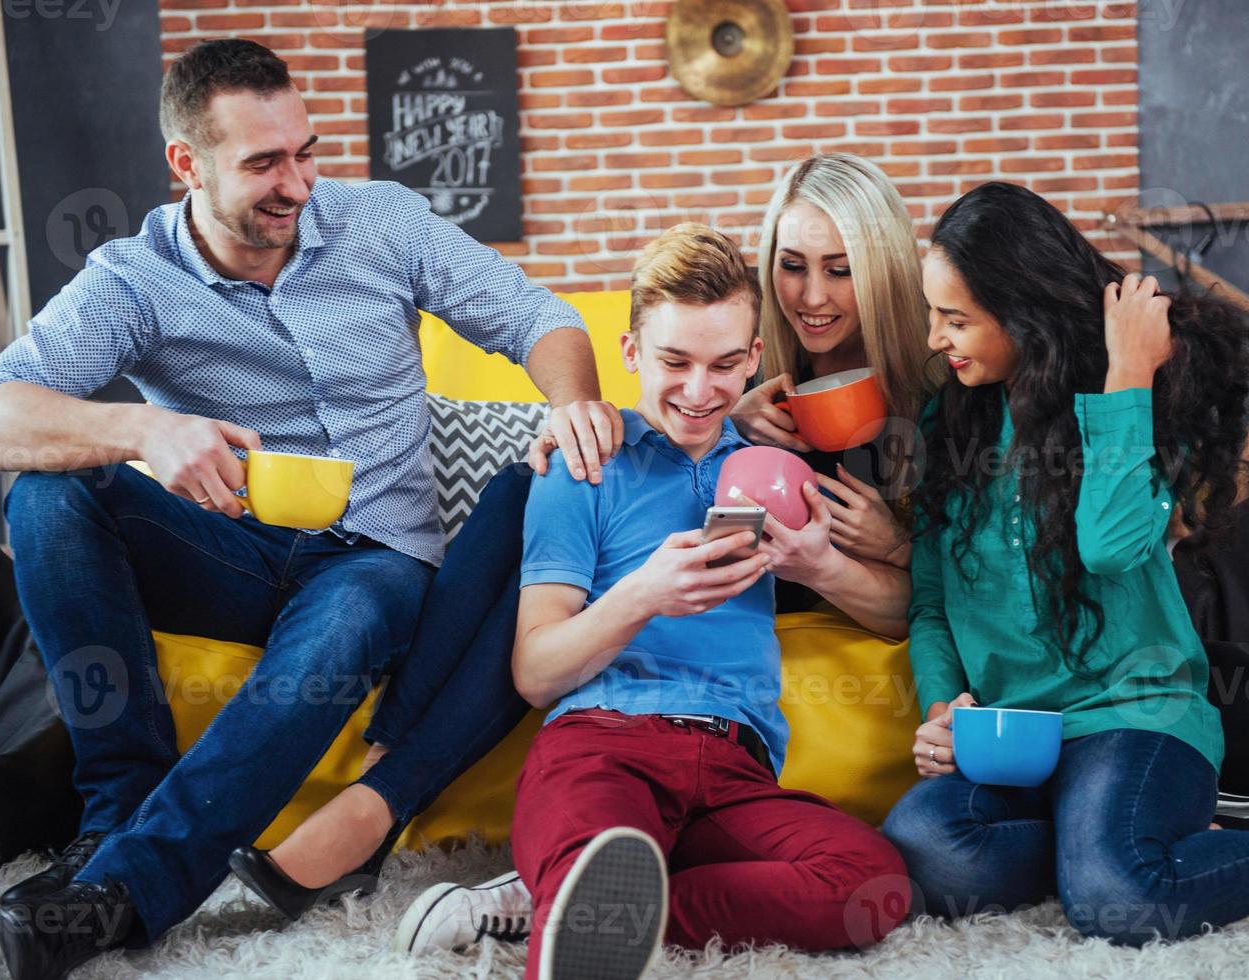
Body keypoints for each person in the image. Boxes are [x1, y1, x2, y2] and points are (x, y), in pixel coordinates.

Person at [0, 39, 621, 980]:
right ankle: (113, 811)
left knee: (350, 612)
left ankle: (126, 889)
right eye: (264, 163)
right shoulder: (134, 276)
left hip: (377, 558)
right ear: (186, 164)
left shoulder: (380, 223)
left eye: (305, 151)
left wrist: (574, 403)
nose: (298, 182)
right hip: (226, 550)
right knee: (52, 495)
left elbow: (535, 317)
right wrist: (141, 431)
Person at [880, 181, 1249, 945]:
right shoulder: (950, 418)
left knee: (1119, 899)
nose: (935, 337)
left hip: (1133, 712)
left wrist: (1128, 372)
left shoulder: (1125, 399)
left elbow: (1109, 545)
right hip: (1015, 736)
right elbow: (931, 599)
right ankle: (1147, 836)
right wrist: (944, 707)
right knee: (929, 849)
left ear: (1022, 312)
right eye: (933, 315)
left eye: (956, 319)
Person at [390, 224, 911, 976]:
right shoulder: (582, 466)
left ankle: (565, 907)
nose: (699, 393)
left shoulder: (776, 467)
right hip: (603, 749)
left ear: (755, 358)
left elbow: (903, 609)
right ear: (631, 355)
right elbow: (536, 670)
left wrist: (820, 564)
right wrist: (641, 595)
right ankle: (579, 905)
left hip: (737, 769)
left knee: (872, 882)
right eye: (675, 362)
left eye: (725, 365)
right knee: (591, 866)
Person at [732, 153, 941, 621]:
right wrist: (727, 423)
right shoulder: (746, 365)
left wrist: (898, 546)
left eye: (839, 270)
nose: (811, 297)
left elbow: (981, 583)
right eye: (791, 266)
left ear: (882, 271)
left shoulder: (939, 382)